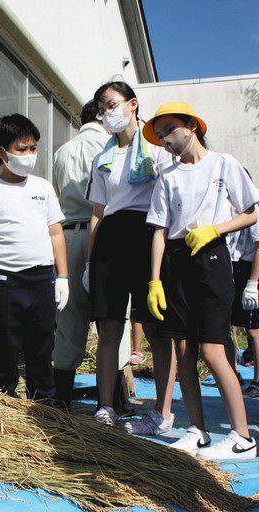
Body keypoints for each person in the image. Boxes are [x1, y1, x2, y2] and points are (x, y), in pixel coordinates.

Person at [145, 101, 258, 459]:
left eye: (170, 131)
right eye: (160, 136)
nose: (166, 141)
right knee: (183, 349)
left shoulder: (223, 164)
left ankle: (242, 437)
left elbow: (250, 213)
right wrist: (154, 281)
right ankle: (198, 430)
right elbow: (160, 231)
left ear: (191, 125)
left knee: (212, 347)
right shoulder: (168, 177)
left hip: (211, 257)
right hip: (176, 261)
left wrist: (214, 229)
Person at [85, 81, 176, 433]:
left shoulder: (158, 149)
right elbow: (97, 210)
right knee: (108, 327)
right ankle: (105, 406)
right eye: (101, 108)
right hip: (110, 239)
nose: (107, 113)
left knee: (155, 328)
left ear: (132, 104)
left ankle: (162, 410)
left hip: (148, 235)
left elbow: (170, 199)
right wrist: (91, 262)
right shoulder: (102, 158)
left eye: (112, 104)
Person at [0, 113, 69, 402]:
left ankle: (45, 405)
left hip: (41, 278)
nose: (30, 155)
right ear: (1, 152)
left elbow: (56, 234)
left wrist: (62, 276)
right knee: (4, 345)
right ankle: (4, 399)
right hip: (4, 280)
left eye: (33, 148)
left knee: (42, 345)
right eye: (22, 149)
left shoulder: (43, 187)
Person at [51, 100, 109, 408]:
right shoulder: (108, 146)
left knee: (69, 316)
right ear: (101, 116)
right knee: (110, 318)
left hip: (67, 235)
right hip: (102, 233)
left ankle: (62, 396)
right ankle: (111, 399)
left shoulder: (63, 151)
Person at [238, 221, 259, 397]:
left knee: (254, 330)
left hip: (252, 269)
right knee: (246, 328)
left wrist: (253, 281)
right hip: (237, 264)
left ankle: (257, 381)